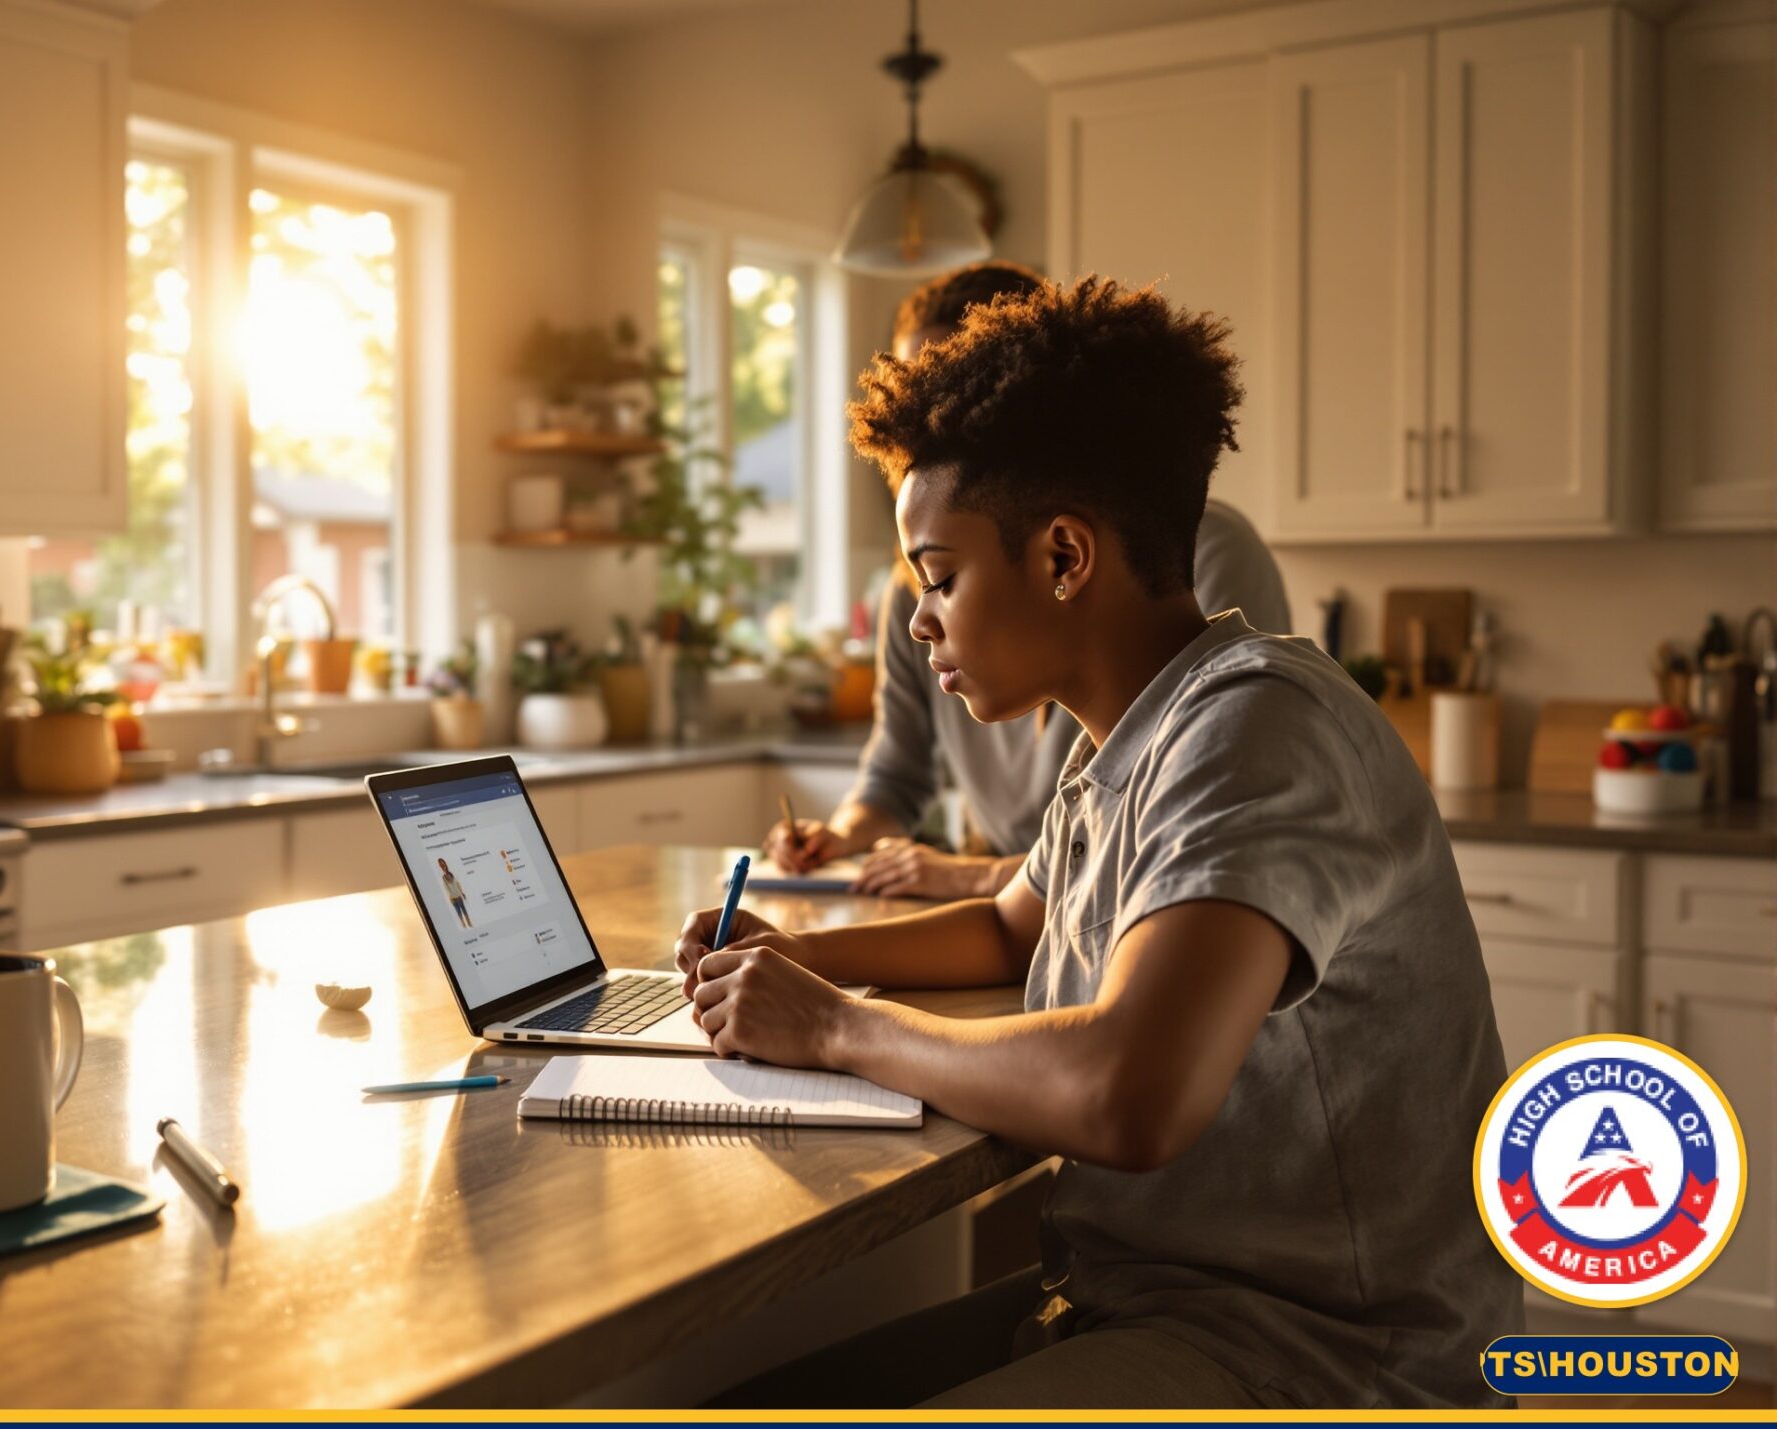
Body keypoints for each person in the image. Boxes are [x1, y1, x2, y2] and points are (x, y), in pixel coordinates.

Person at [680, 278, 1519, 1408]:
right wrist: (786, 962)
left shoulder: (1257, 725)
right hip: (1138, 1301)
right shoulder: (1125, 741)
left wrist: (832, 1024)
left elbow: (1130, 1089)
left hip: (1321, 1357)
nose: (919, 620)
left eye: (941, 578)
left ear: (1065, 557)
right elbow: (1006, 928)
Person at [765, 261, 1292, 899]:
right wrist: (834, 850)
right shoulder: (912, 597)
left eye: (955, 382)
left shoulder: (1201, 592)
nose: (928, 415)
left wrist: (971, 879)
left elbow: (1183, 843)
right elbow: (904, 789)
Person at [438, 858, 473, 928]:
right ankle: (464, 925)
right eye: (441, 865)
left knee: (464, 909)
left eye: (444, 864)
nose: (443, 866)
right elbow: (446, 889)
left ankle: (469, 923)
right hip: (453, 898)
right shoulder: (443, 877)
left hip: (458, 896)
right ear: (440, 867)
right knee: (458, 911)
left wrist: (462, 893)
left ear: (446, 864)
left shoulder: (452, 874)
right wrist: (452, 897)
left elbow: (457, 884)